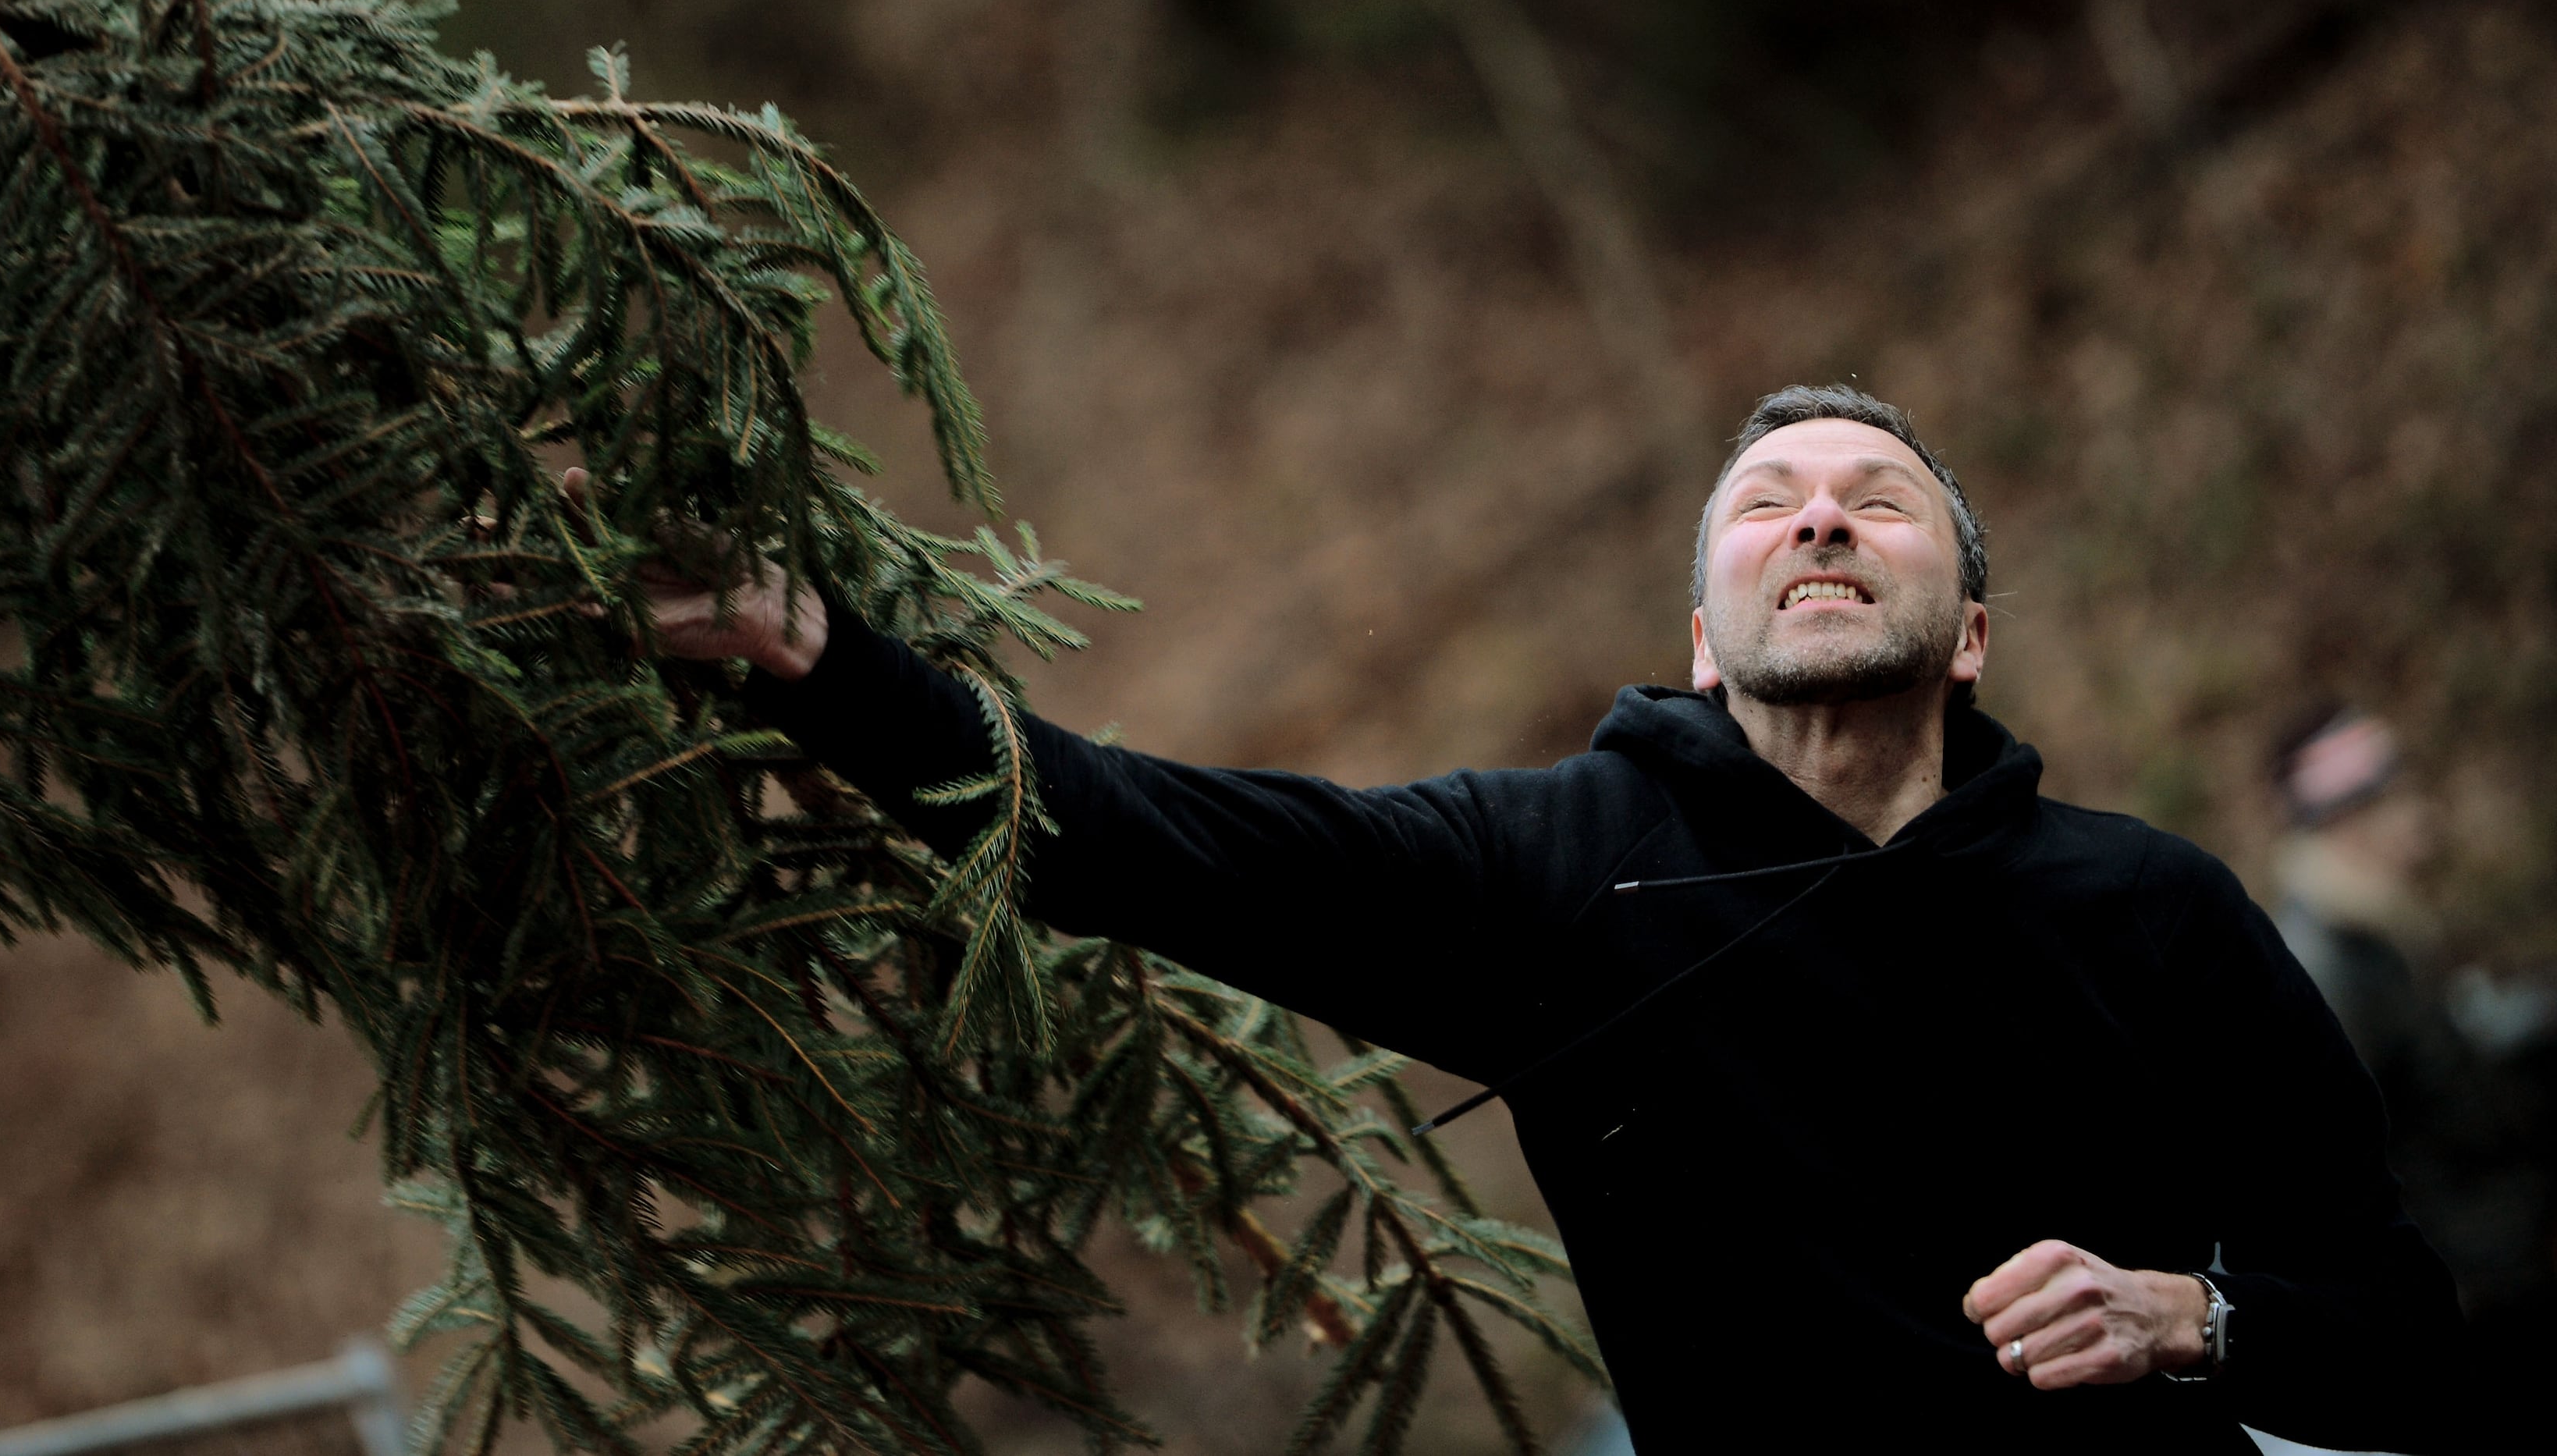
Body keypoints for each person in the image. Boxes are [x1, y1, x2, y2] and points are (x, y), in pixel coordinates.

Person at [615, 385, 2468, 1451]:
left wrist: (2188, 1314)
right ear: (1702, 638)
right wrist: (823, 662)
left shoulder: (2152, 904)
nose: (1821, 524)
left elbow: (2405, 1336)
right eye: (1767, 506)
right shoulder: (1558, 868)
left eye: (1878, 503)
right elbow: (1136, 841)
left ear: (1967, 631)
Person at [2270, 708, 2555, 1444]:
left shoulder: (2376, 935)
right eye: (2393, 799)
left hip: (2499, 1272)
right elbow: (2340, 1175)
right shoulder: (2332, 968)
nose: (2420, 816)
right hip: (2468, 1303)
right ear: (2346, 823)